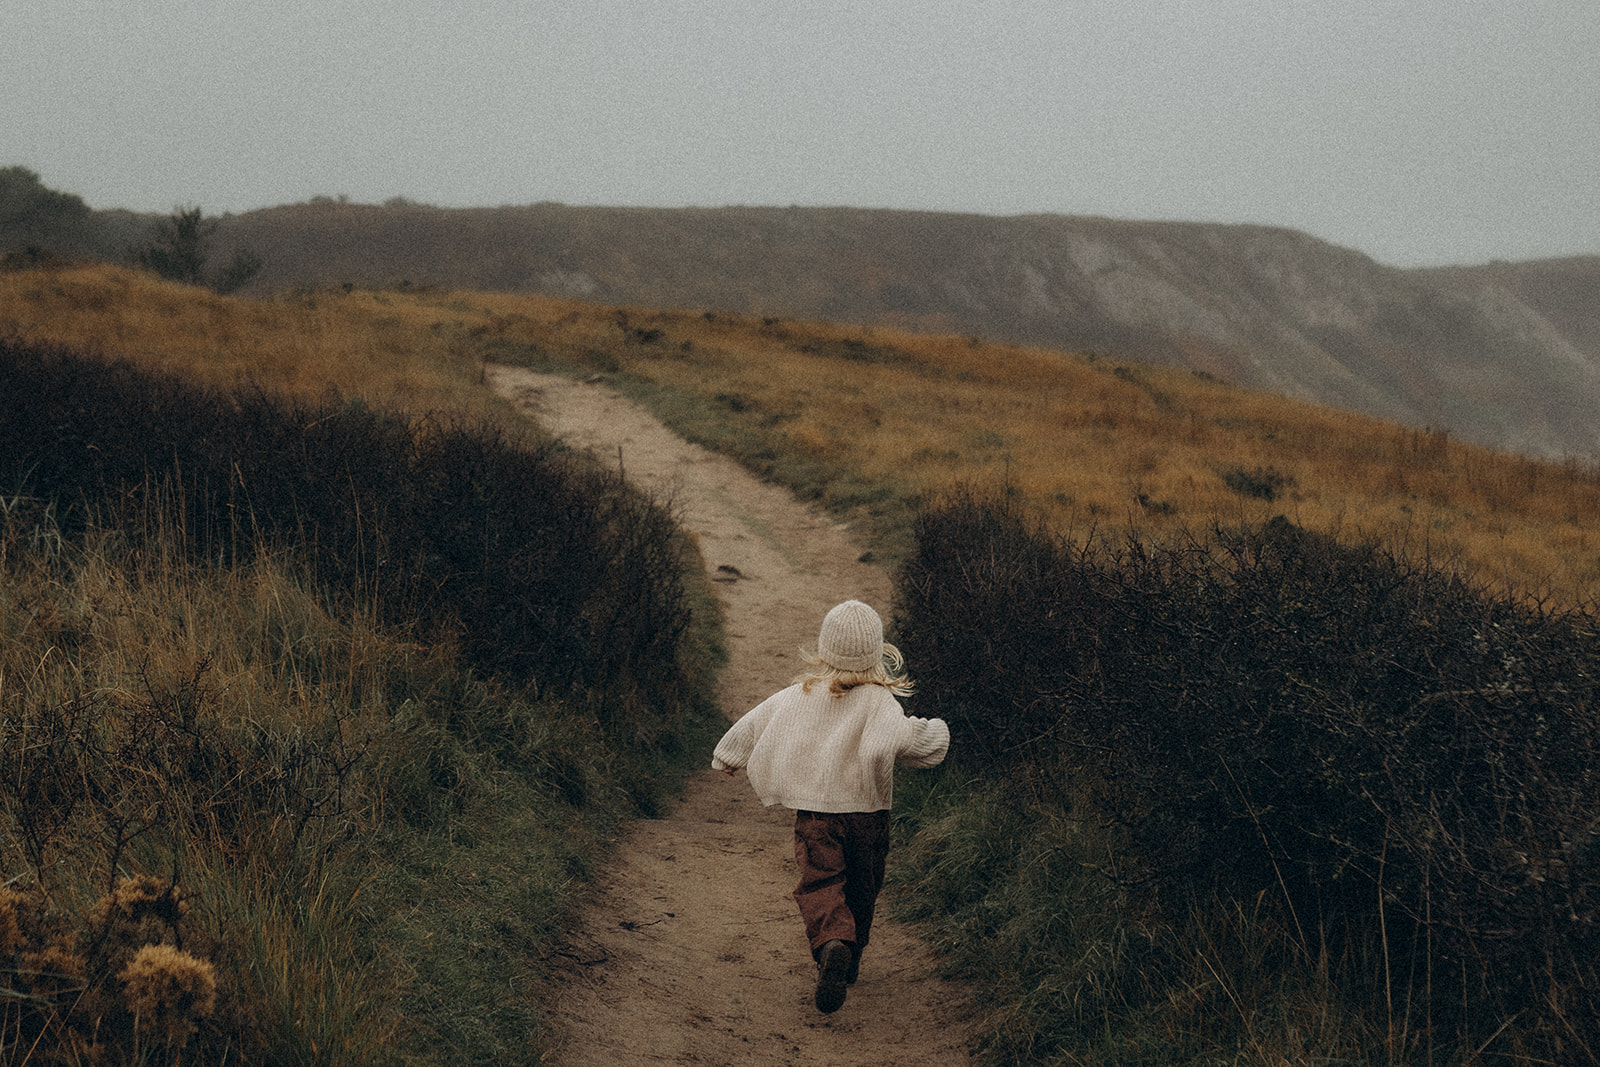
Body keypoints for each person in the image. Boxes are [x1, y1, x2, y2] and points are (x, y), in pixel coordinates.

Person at [712, 599, 950, 1014]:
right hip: (870, 816)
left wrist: (728, 756)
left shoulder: (799, 694)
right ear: (878, 653)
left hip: (817, 816)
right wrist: (939, 734)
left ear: (824, 650)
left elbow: (756, 721)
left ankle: (831, 944)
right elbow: (908, 742)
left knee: (820, 884)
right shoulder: (880, 702)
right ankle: (850, 957)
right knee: (864, 888)